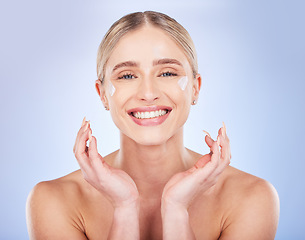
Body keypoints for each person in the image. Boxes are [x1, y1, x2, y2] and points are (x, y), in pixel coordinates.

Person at [26, 11, 279, 240]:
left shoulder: (252, 198)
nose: (148, 93)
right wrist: (124, 208)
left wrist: (176, 209)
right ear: (102, 94)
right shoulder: (53, 201)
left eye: (167, 73)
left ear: (195, 88)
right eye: (127, 76)